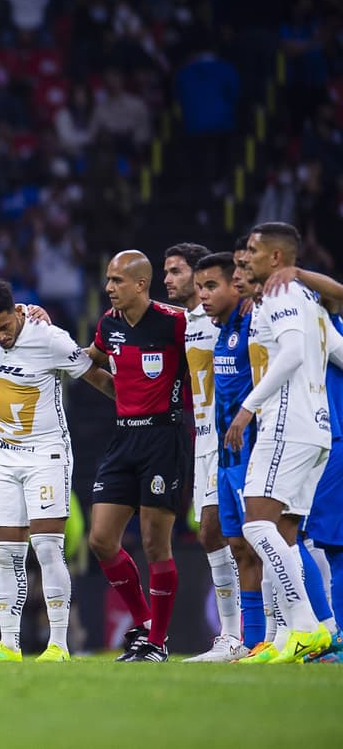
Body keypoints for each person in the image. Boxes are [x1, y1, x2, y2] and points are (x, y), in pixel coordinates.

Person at [0, 280, 115, 663]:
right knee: (7, 554)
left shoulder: (50, 338)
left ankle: (59, 646)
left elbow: (96, 375)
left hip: (46, 455)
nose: (1, 336)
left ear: (16, 313)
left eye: (6, 326)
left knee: (48, 547)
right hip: (3, 456)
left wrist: (139, 406)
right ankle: (9, 646)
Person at [86, 250, 191, 662]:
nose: (109, 287)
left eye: (117, 280)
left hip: (164, 438)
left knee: (154, 542)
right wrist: (117, 393)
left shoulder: (175, 322)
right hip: (124, 437)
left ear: (141, 284)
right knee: (101, 539)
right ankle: (145, 623)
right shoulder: (108, 325)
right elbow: (92, 363)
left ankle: (157, 643)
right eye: (108, 279)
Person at [250, 255, 343, 661]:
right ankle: (299, 632)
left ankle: (319, 628)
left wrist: (297, 274)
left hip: (306, 431)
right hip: (322, 433)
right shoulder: (316, 316)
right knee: (294, 536)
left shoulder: (299, 306)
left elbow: (336, 296)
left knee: (269, 528)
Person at [162, 242, 245, 662]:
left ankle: (259, 631)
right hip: (203, 440)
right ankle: (233, 636)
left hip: (233, 437)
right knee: (212, 533)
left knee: (239, 531)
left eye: (175, 272)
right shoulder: (186, 320)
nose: (167, 280)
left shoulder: (228, 319)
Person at [194, 250, 263, 659]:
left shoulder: (254, 321)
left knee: (263, 543)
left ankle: (291, 630)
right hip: (226, 455)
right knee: (237, 546)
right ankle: (250, 641)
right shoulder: (221, 329)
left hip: (252, 450)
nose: (203, 295)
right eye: (199, 287)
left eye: (211, 286)